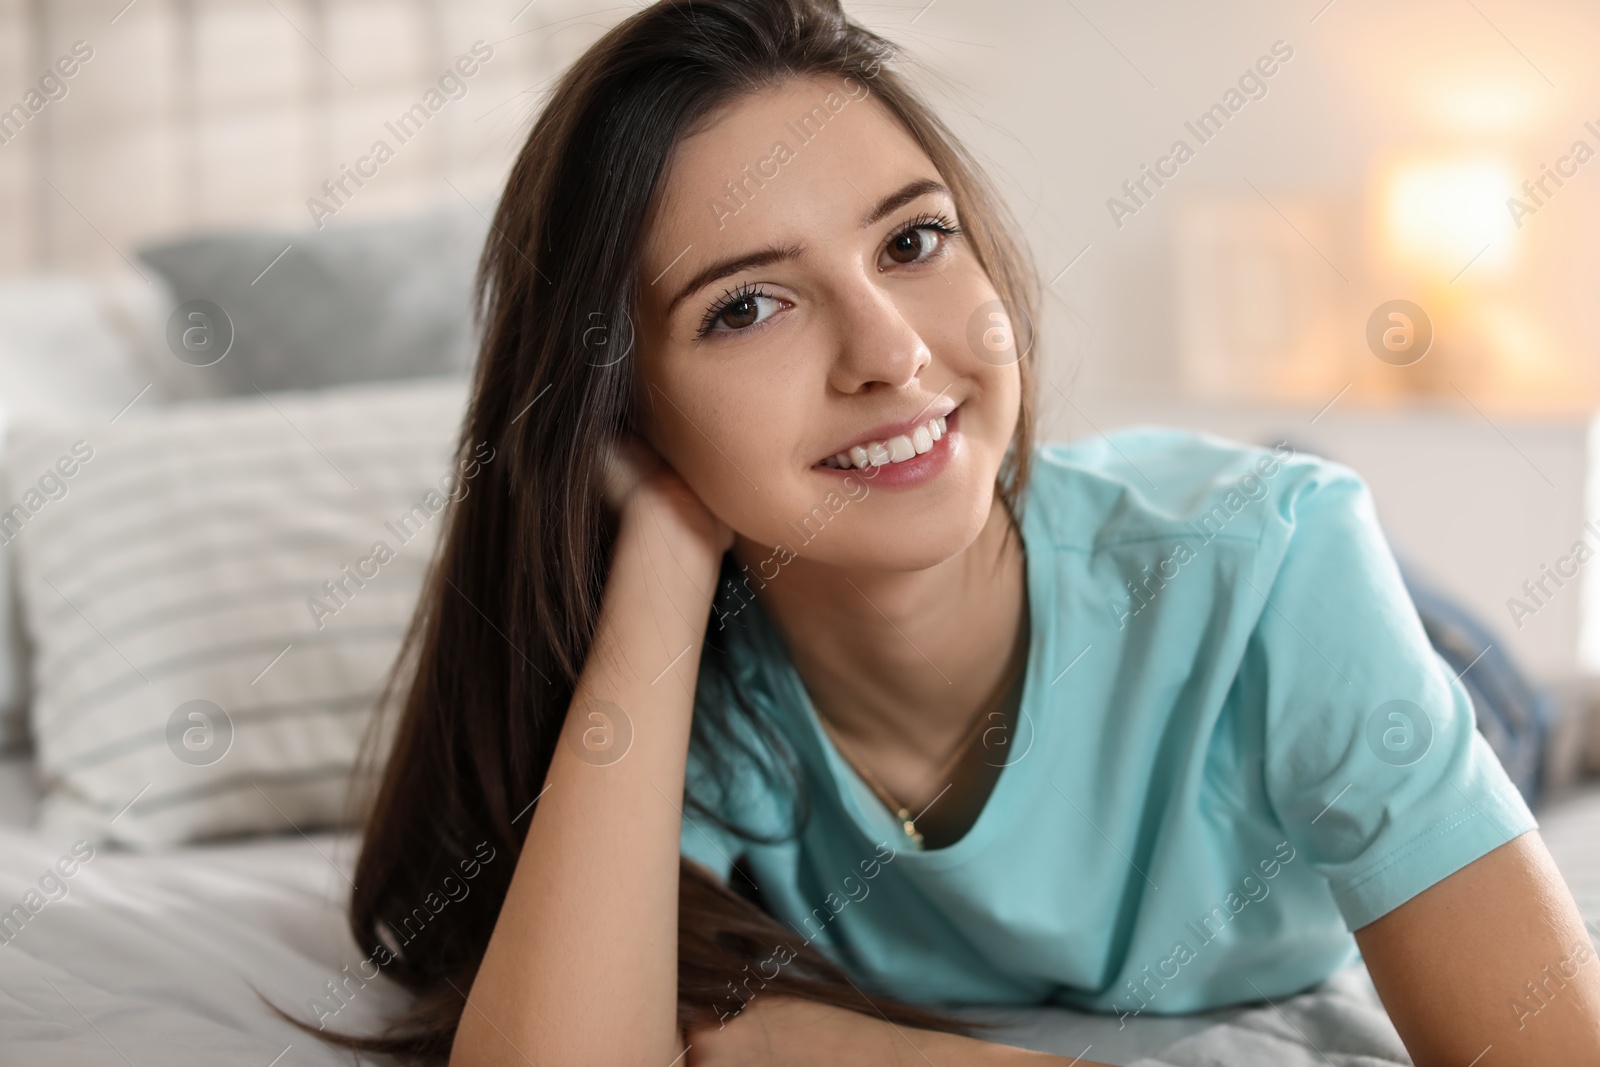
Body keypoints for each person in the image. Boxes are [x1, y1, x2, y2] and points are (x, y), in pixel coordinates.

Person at [305, 1, 1600, 1063]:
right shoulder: (694, 706)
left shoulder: (1277, 569)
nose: (892, 349)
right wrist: (661, 552)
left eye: (914, 239)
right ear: (620, 413)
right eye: (748, 308)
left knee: (1510, 710)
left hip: (1331, 597)